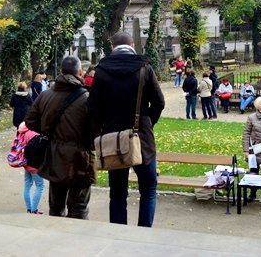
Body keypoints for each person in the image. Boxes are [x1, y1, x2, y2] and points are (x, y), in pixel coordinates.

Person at [88, 32, 165, 228]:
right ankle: (143, 233)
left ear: (112, 47)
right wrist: (148, 123)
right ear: (132, 45)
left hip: (114, 138)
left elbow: (93, 109)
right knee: (148, 189)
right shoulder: (145, 68)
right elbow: (159, 102)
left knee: (117, 193)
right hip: (142, 138)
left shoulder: (102, 71)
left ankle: (118, 236)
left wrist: (103, 129)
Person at [24, 56, 94, 219]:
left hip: (54, 155)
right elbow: (97, 128)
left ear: (61, 72)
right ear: (80, 72)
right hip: (80, 158)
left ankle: (55, 239)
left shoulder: (45, 95)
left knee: (56, 207)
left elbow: (30, 121)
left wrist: (48, 132)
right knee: (79, 208)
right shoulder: (88, 99)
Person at [16, 122, 45, 214]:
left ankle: (29, 209)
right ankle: (34, 210)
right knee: (40, 185)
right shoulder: (34, 134)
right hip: (34, 165)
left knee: (27, 184)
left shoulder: (22, 132)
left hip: (26, 163)